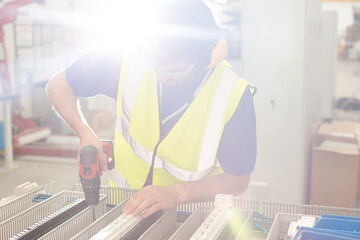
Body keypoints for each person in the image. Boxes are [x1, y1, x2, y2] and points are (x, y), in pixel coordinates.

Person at [46, 0, 257, 219]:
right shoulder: (129, 60)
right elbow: (58, 85)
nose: (160, 77)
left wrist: (178, 193)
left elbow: (238, 180)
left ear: (204, 59)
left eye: (174, 71)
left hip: (187, 220)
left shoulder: (232, 94)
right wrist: (84, 133)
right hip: (120, 211)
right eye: (156, 66)